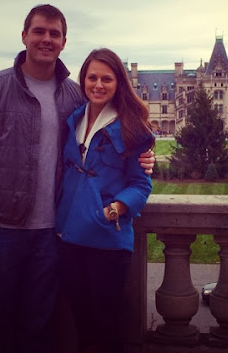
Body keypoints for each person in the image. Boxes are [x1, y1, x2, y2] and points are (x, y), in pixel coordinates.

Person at [0, 4, 155, 353]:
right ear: (24, 36)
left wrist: (144, 158)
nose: (46, 39)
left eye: (54, 33)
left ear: (64, 42)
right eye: (39, 31)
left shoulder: (73, 94)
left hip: (50, 233)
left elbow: (122, 140)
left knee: (39, 328)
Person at [56, 48, 155, 353]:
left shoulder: (132, 128)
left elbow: (141, 185)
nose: (98, 85)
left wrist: (111, 211)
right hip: (68, 238)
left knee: (108, 327)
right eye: (92, 77)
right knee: (82, 323)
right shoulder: (73, 121)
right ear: (83, 80)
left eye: (107, 79)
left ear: (118, 83)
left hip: (107, 242)